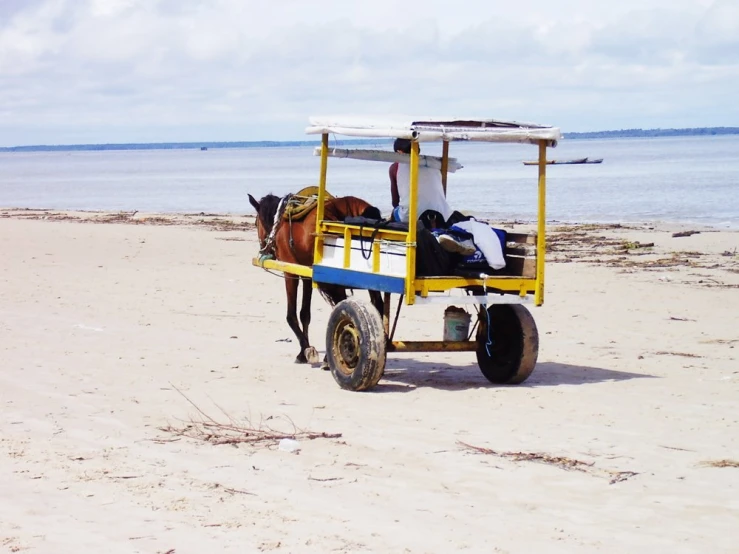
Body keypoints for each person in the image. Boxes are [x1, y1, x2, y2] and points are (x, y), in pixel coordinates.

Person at [389, 138, 475, 255]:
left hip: (413, 216)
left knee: (395, 212)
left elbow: (395, 200)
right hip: (442, 213)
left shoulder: (395, 167)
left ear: (399, 152)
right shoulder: (433, 163)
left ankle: (399, 247)